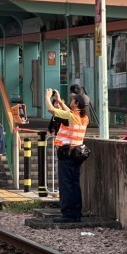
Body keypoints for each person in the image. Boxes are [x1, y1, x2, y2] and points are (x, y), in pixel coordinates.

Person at [45, 89, 88, 223]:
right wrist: (60, 100)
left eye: (72, 100)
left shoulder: (71, 117)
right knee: (74, 184)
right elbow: (68, 112)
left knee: (66, 185)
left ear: (76, 103)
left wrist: (47, 97)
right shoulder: (83, 117)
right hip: (77, 154)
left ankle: (68, 215)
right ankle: (76, 213)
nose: (70, 101)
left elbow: (51, 110)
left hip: (67, 154)